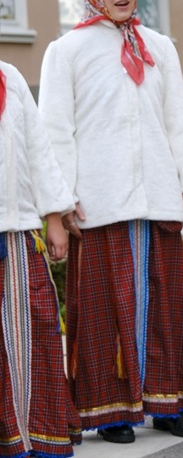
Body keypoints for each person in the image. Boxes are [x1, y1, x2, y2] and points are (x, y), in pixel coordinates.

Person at [37, 0, 183, 444]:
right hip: (98, 202)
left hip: (157, 197)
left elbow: (178, 121)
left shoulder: (160, 46)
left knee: (165, 305)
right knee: (103, 307)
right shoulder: (66, 51)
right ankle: (109, 411)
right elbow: (55, 131)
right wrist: (60, 203)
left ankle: (168, 404)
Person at [0, 60, 81, 457]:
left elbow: (38, 148)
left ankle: (36, 436)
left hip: (16, 228)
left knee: (36, 329)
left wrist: (54, 217)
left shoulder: (10, 77)